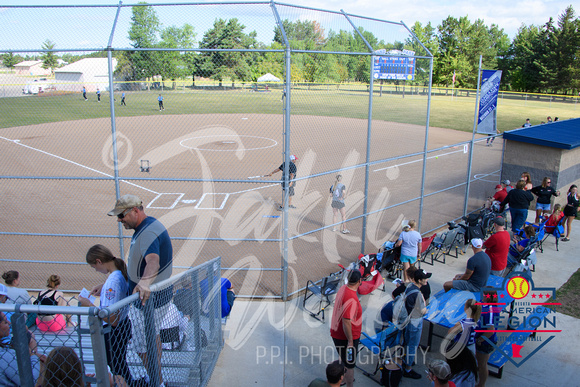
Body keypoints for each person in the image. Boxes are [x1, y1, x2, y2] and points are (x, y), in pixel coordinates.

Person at [106, 194, 173, 387]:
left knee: (142, 345)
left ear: (135, 211)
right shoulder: (146, 226)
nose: (119, 220)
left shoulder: (147, 232)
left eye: (121, 215)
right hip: (152, 299)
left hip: (147, 301)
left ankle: (156, 381)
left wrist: (144, 283)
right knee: (152, 337)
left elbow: (153, 261)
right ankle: (157, 376)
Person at [80, 244, 141, 387]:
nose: (95, 270)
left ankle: (128, 384)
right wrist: (104, 285)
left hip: (114, 331)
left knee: (117, 368)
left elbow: (112, 320)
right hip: (123, 325)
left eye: (94, 266)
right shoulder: (119, 273)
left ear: (99, 261)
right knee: (119, 365)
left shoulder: (112, 281)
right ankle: (130, 383)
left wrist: (88, 305)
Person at [330, 269, 363, 387]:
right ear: (360, 281)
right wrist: (350, 341)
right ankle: (349, 383)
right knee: (350, 365)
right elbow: (346, 322)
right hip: (346, 337)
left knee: (344, 359)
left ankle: (343, 379)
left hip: (337, 333)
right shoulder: (351, 298)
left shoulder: (344, 288)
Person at [377, 266, 430, 333]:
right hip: (418, 309)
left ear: (413, 278)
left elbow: (394, 295)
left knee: (386, 309)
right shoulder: (426, 284)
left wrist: (401, 287)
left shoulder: (410, 287)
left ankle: (385, 332)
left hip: (410, 313)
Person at [0, 312, 44, 386]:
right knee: (42, 362)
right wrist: (33, 354)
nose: (9, 323)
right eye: (5, 322)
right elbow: (30, 381)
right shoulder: (4, 356)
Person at [401, 269, 430, 380]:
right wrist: (426, 308)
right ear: (419, 280)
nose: (427, 280)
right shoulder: (418, 293)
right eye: (425, 278)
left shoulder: (409, 287)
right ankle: (408, 369)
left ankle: (405, 360)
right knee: (412, 345)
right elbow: (423, 311)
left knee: (407, 342)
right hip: (415, 322)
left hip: (408, 320)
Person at [475, 290, 501, 387]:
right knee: (479, 362)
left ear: (488, 297)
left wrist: (480, 340)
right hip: (481, 339)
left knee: (482, 365)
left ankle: (481, 384)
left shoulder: (491, 310)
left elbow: (491, 330)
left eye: (484, 294)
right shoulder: (482, 304)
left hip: (485, 343)